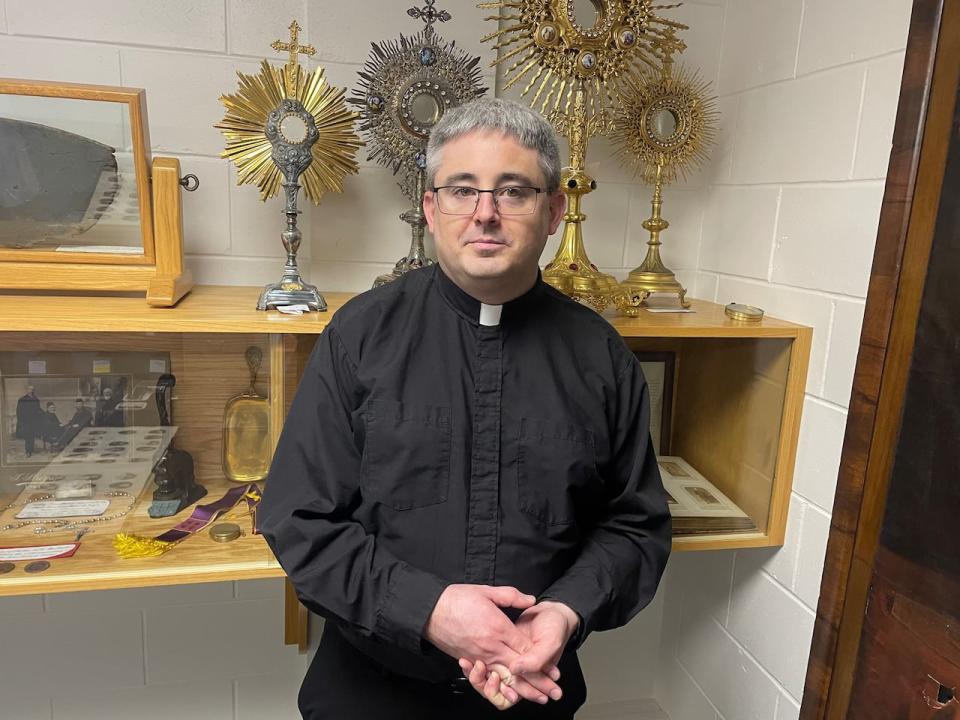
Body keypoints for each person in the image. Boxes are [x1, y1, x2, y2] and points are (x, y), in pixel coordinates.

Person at [259, 97, 672, 719]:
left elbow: (634, 528)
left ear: (555, 210)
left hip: (534, 689)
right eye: (461, 190)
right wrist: (427, 609)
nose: (485, 215)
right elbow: (299, 519)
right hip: (371, 690)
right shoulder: (360, 337)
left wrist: (563, 612)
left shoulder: (602, 358)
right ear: (431, 207)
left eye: (514, 192)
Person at [15, 385, 43, 457]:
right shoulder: (22, 399)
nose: (31, 391)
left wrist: (41, 414)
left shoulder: (36, 399)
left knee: (32, 435)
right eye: (30, 389)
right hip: (26, 421)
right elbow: (18, 411)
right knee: (28, 436)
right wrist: (21, 421)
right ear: (27, 390)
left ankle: (31, 449)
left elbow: (38, 409)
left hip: (34, 421)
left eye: (33, 389)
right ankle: (28, 451)